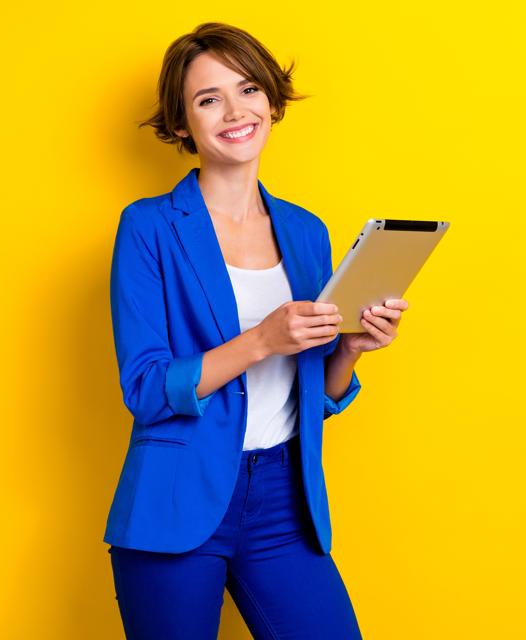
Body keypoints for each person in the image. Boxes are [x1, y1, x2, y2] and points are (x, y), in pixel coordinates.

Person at [103, 22, 409, 639]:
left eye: (248, 89)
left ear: (271, 101)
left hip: (284, 501)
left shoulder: (306, 231)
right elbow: (144, 389)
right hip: (177, 502)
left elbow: (312, 395)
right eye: (208, 99)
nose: (235, 111)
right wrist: (260, 341)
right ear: (183, 124)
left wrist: (349, 348)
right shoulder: (149, 228)